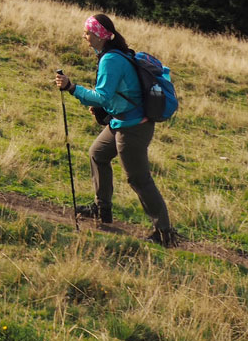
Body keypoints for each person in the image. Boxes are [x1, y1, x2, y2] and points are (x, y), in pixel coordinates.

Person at [55, 13, 176, 246]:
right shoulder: (111, 55)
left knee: (139, 179)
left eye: (88, 32)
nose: (84, 36)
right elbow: (119, 94)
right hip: (122, 121)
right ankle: (103, 210)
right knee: (97, 153)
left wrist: (72, 88)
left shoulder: (111, 59)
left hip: (133, 128)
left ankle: (164, 233)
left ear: (99, 35)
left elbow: (102, 95)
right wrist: (105, 112)